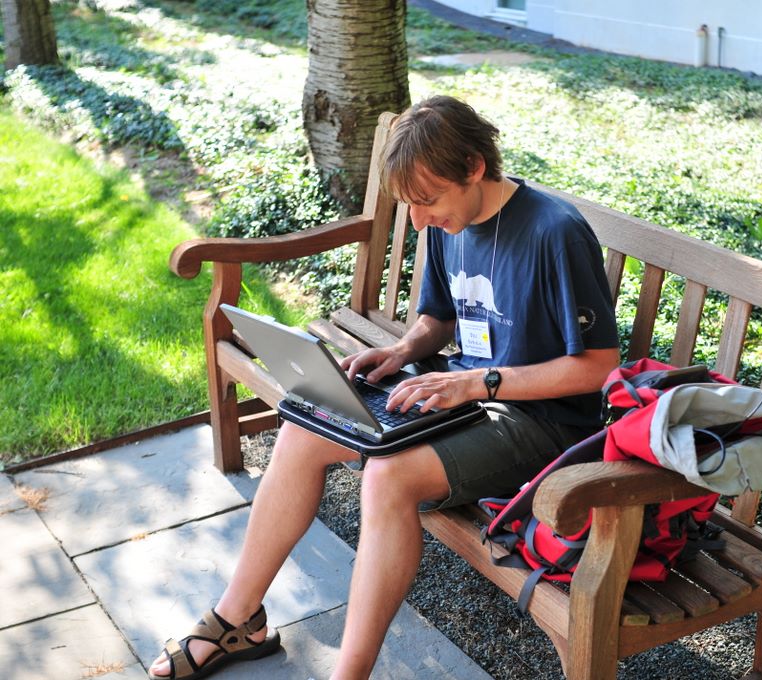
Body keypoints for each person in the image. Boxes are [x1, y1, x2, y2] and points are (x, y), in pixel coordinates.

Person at [148, 95, 620, 680]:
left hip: (543, 424)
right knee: (304, 430)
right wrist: (402, 351)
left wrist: (479, 381)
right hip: (470, 401)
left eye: (428, 201)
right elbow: (438, 318)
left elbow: (598, 367)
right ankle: (237, 620)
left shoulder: (555, 233)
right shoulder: (450, 221)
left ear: (475, 167)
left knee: (387, 476)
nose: (418, 221)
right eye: (409, 206)